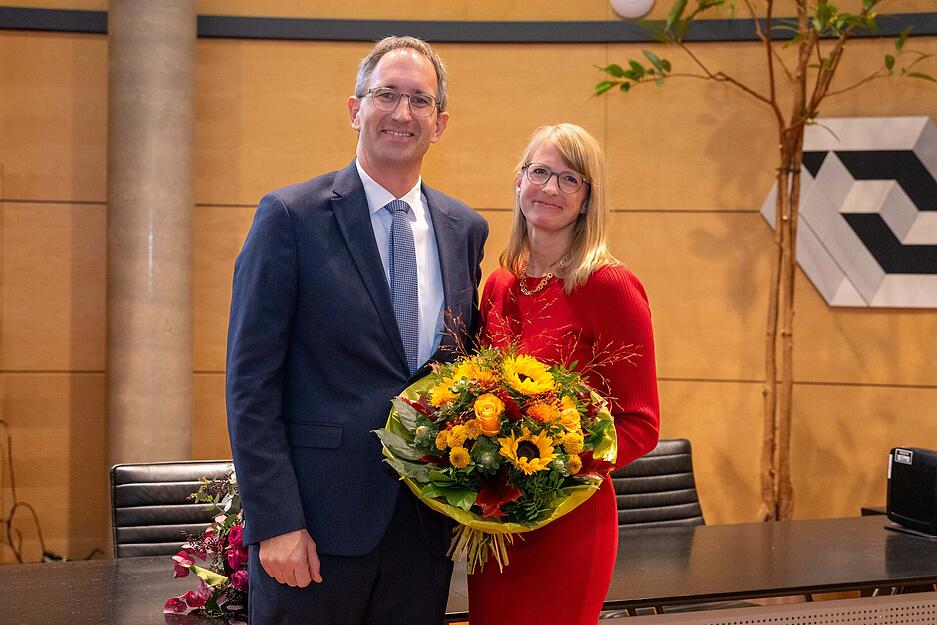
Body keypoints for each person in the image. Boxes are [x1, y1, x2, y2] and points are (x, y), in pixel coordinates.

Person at [225, 36, 488, 625]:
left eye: (420, 100)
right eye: (386, 95)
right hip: (312, 533)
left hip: (423, 530)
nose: (402, 113)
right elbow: (250, 386)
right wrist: (277, 523)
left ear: (440, 123)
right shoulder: (290, 218)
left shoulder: (463, 228)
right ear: (354, 109)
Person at [468, 123, 660, 624]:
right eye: (540, 172)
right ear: (519, 182)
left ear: (587, 199)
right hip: (496, 523)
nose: (550, 189)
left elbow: (641, 424)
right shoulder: (499, 285)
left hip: (570, 520)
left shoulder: (610, 286)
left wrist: (551, 471)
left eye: (570, 180)